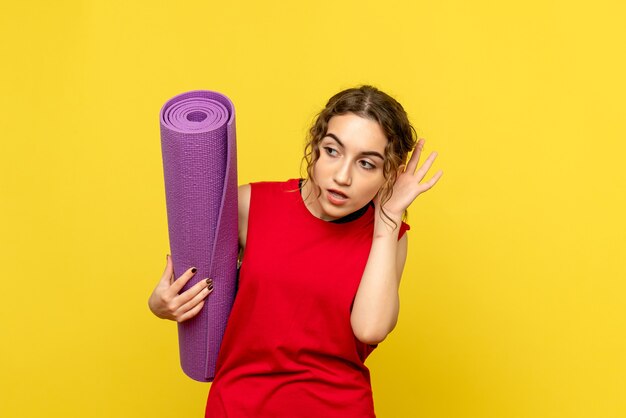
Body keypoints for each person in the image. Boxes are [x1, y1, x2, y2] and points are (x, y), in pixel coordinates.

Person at [148, 85, 443, 417]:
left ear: (389, 172)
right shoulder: (249, 205)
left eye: (367, 164)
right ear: (316, 146)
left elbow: (370, 329)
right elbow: (192, 280)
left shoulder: (388, 235)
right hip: (238, 405)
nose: (342, 176)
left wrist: (388, 220)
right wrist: (161, 304)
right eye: (333, 151)